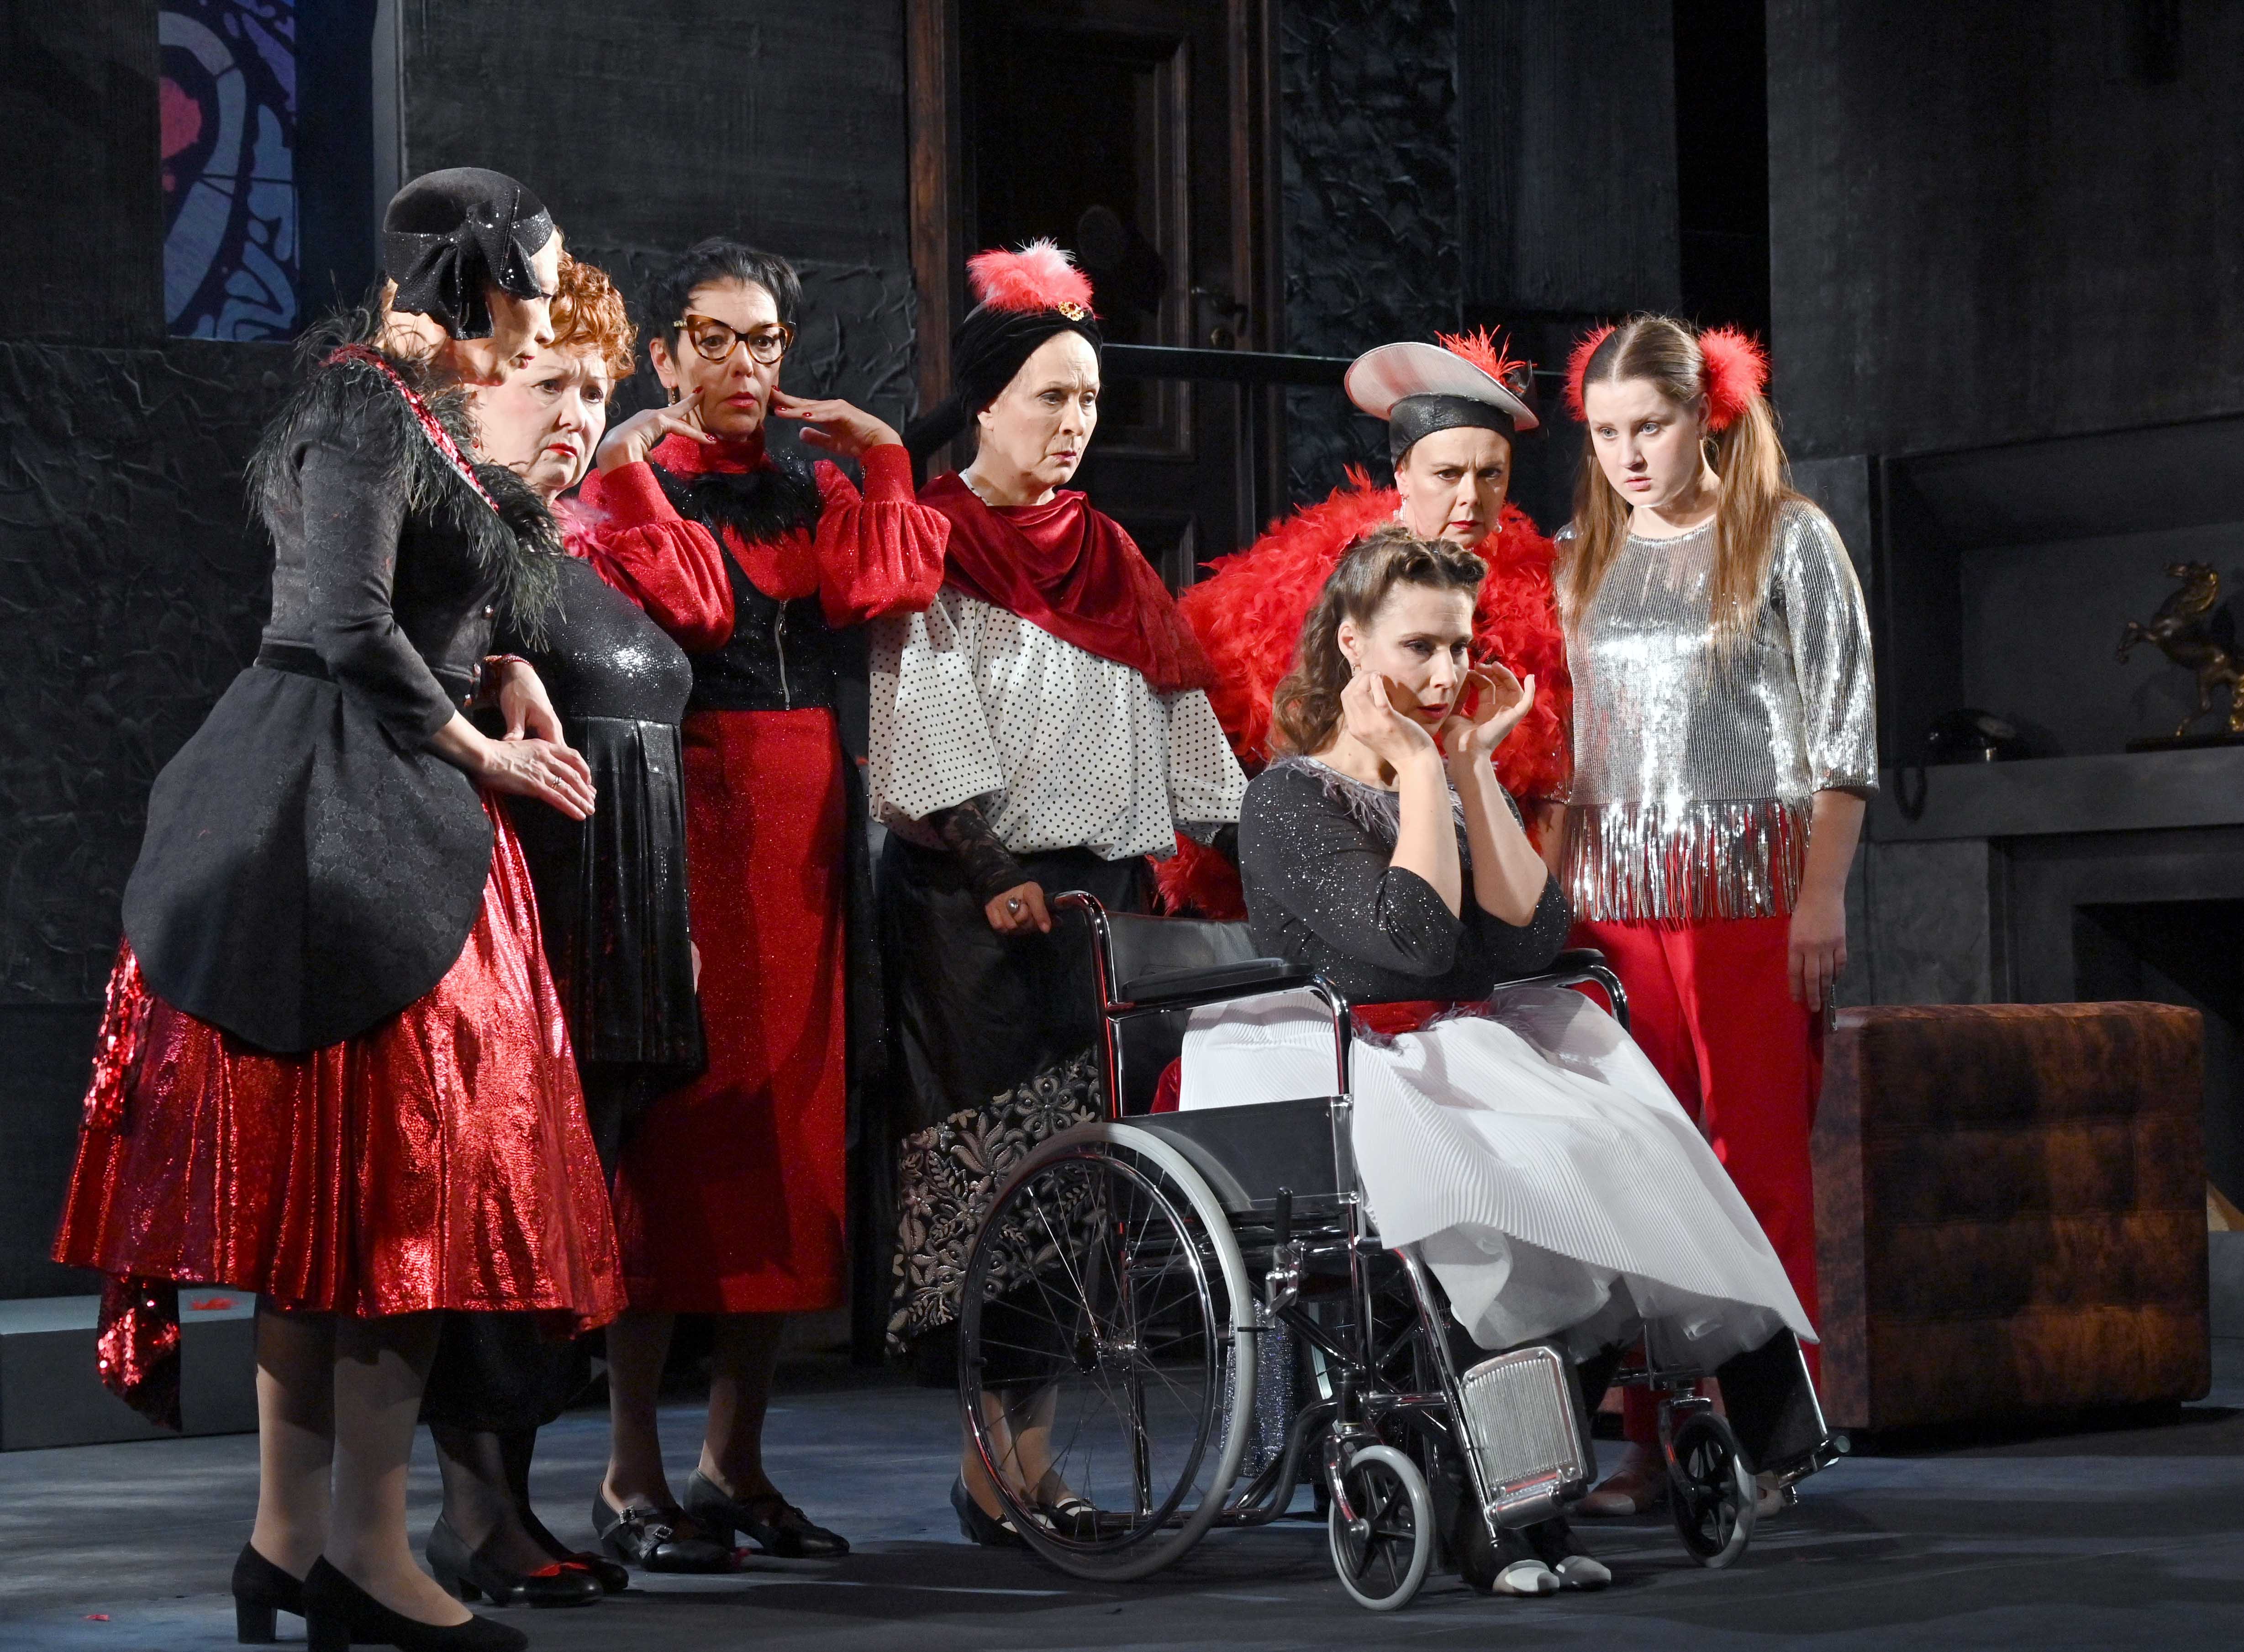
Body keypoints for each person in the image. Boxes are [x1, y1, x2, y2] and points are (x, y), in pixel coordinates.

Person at [51, 169, 616, 1652]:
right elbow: (346, 620)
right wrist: (482, 747)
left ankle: (288, 1544)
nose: (549, 309)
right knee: (390, 1201)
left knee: (335, 1216)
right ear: (474, 275)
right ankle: (359, 1552)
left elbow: (410, 599)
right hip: (345, 825)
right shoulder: (368, 404)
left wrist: (499, 663)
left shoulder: (405, 409)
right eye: (538, 278)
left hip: (366, 803)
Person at [1177, 524, 1817, 1593]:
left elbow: (1530, 939)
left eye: (1460, 648)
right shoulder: (1289, 798)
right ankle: (1502, 1516)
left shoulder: (1440, 773)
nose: (1445, 676)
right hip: (1348, 1061)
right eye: (1419, 648)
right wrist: (1427, 769)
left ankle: (1546, 1493)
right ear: (1351, 644)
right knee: (1525, 1185)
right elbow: (1415, 943)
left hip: (1462, 1046)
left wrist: (1469, 770)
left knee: (1629, 1150)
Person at [574, 238, 948, 1568]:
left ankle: (732, 1462)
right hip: (687, 815)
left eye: (768, 340)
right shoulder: (618, 486)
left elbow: (887, 586)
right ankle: (629, 1477)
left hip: (805, 831)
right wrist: (626, 470)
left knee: (790, 1149)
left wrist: (887, 457)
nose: (746, 364)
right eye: (716, 338)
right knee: (678, 1147)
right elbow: (695, 611)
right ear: (663, 353)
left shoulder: (811, 484)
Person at [869, 241, 1247, 1543]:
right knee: (994, 1181)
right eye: (1051, 397)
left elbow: (1185, 731)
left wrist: (1271, 843)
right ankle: (992, 1462)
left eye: (1089, 399)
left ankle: (1032, 1465)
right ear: (985, 405)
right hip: (977, 905)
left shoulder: (1111, 550)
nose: (1074, 422)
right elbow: (919, 716)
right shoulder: (937, 538)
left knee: (1081, 1188)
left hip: (1100, 903)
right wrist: (990, 867)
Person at [415, 251, 716, 1609]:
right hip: (523, 940)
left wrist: (673, 925)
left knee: (565, 1240)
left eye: (597, 389)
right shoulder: (456, 545)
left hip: (621, 939)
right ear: (475, 384)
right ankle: (477, 1517)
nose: (579, 412)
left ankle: (510, 1503)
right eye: (549, 382)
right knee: (505, 1232)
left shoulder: (545, 543)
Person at [1553, 316, 1875, 1515]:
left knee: (1756, 1168)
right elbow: (1557, 746)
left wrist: (1821, 895)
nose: (1629, 454)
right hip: (1612, 900)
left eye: (1650, 425)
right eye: (1606, 434)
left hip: (1751, 893)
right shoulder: (1575, 554)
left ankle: (1769, 1438)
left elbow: (1844, 736)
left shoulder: (1786, 537)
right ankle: (1651, 1441)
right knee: (1638, 1165)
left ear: (1706, 416)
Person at [1162, 329, 1571, 918]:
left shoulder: (1539, 591)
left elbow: (1549, 769)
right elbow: (1190, 692)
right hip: (1348, 872)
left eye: (1491, 474)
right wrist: (1246, 843)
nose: (1470, 498)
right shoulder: (1321, 574)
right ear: (1402, 474)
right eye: (1447, 473)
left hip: (1482, 867)